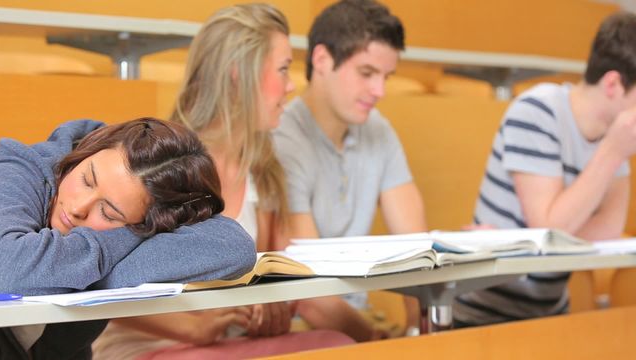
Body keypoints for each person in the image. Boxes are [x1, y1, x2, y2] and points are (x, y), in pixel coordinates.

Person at [93, 4, 354, 359]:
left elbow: (295, 283)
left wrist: (271, 306)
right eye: (283, 69)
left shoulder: (265, 169)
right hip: (156, 346)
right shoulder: (157, 162)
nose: (292, 86)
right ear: (237, 74)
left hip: (230, 345)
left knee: (338, 346)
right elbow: (101, 282)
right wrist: (193, 327)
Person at [0, 117, 256, 359]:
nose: (78, 208)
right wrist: (119, 246)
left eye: (108, 213)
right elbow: (9, 273)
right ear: (87, 152)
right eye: (87, 179)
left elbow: (234, 247)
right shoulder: (16, 168)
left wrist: (75, 270)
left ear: (149, 226)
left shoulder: (136, 230)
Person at [453, 11, 636, 328]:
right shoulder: (537, 110)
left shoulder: (614, 135)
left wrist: (526, 238)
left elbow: (607, 228)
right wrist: (612, 152)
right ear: (613, 84)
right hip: (483, 316)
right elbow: (550, 225)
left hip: (549, 314)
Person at [272, 0, 426, 342]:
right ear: (322, 60)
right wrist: (378, 343)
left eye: (386, 77)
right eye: (367, 73)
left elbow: (416, 248)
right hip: (302, 327)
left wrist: (419, 332)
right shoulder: (283, 139)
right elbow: (310, 293)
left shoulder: (379, 129)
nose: (380, 92)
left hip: (361, 320)